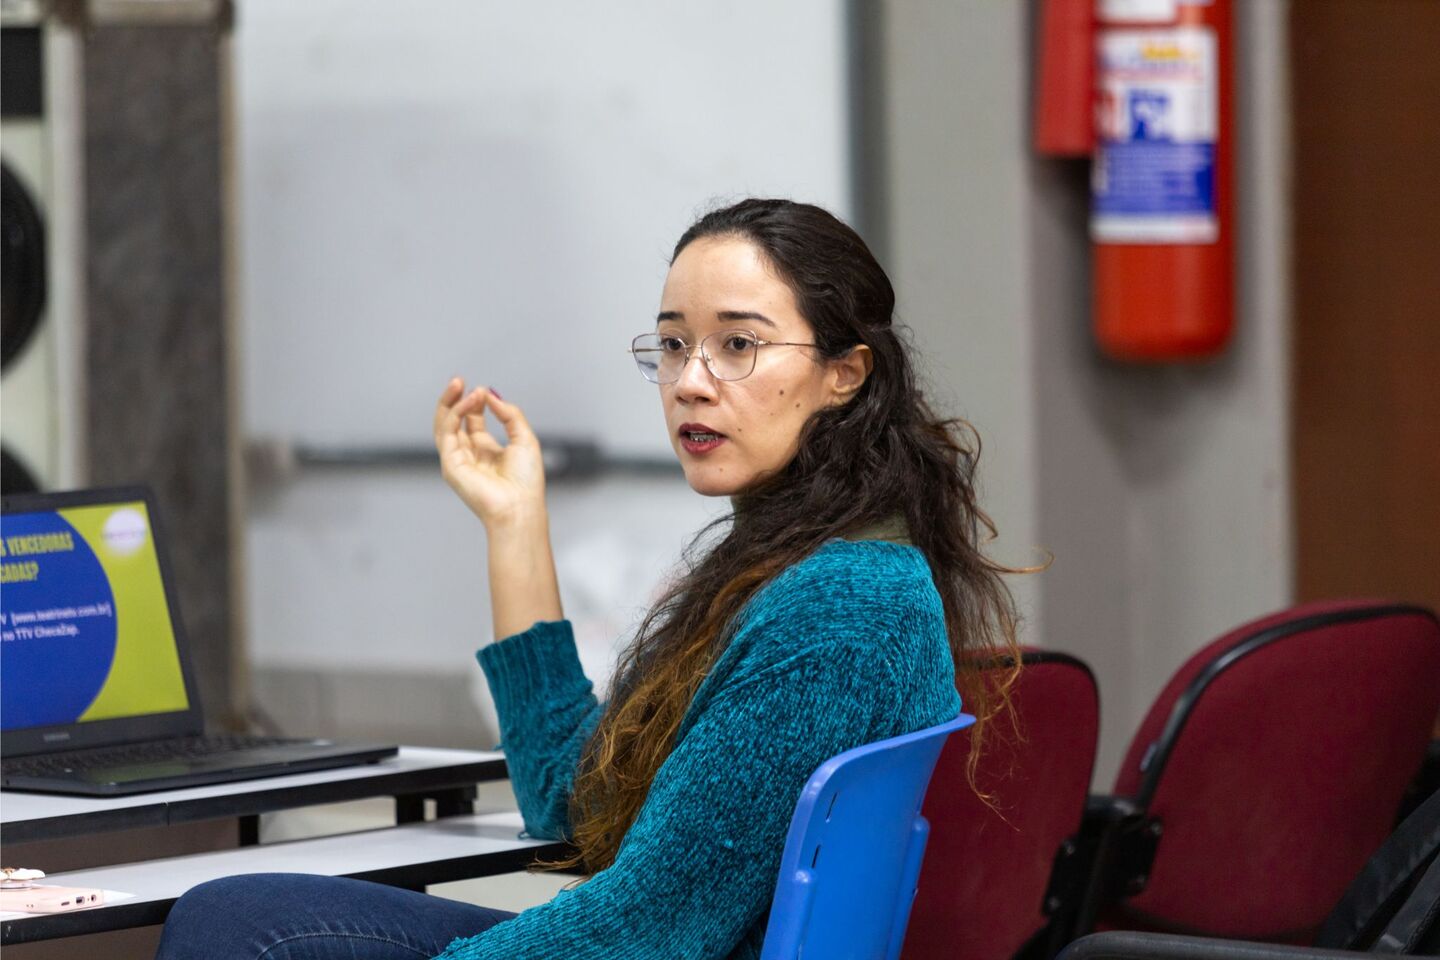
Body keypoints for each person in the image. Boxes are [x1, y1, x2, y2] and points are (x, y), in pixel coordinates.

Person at [154, 198, 1023, 960]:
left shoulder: (838, 609)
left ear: (845, 374)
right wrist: (514, 522)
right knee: (244, 912)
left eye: (738, 345)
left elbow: (651, 929)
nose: (690, 381)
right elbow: (572, 802)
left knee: (240, 927)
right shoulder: (789, 566)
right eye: (675, 344)